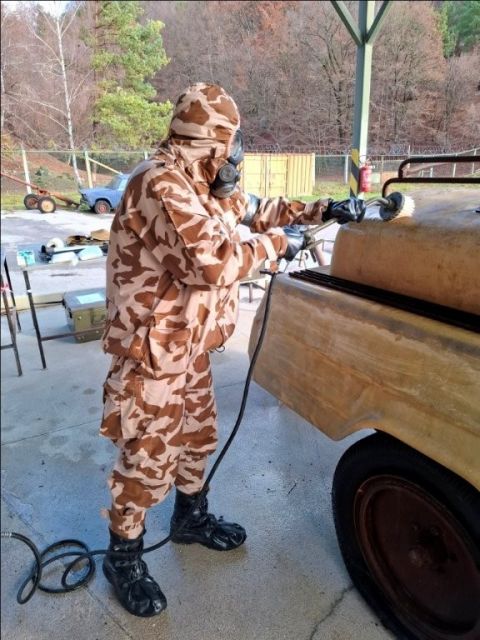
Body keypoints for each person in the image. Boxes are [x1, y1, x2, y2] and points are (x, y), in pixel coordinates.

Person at [99, 82, 365, 617]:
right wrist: (277, 244)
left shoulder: (201, 183)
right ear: (208, 143)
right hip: (153, 354)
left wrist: (324, 208)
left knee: (197, 439)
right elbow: (213, 262)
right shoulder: (160, 184)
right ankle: (123, 556)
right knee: (146, 458)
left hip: (189, 348)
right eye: (229, 144)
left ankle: (190, 518)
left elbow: (258, 209)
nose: (234, 158)